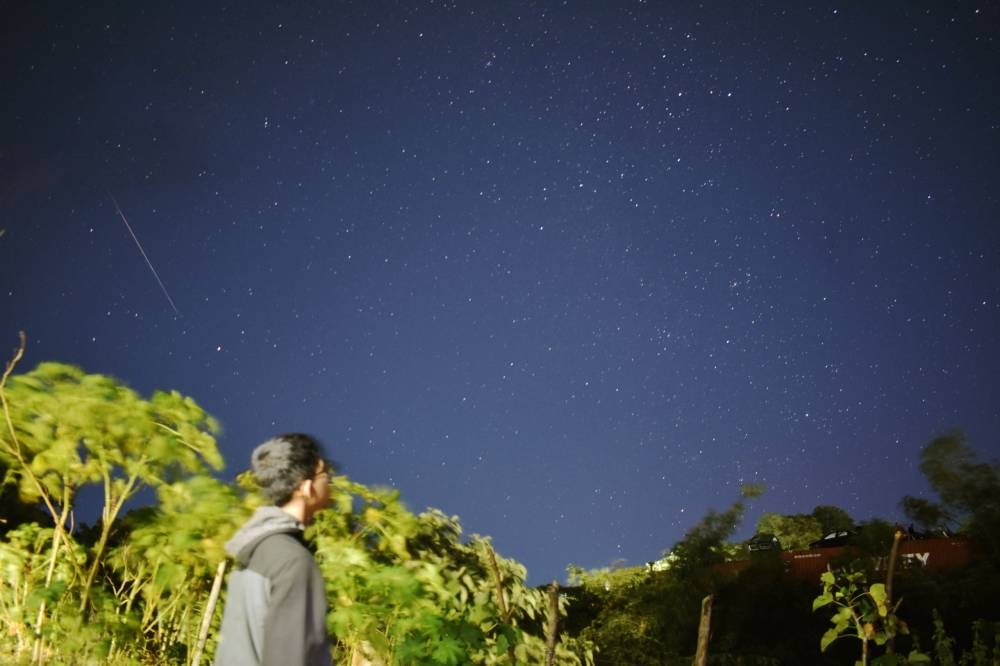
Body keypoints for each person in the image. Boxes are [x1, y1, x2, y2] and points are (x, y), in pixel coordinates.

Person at [215, 433, 334, 666]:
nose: (329, 481)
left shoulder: (254, 548)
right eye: (325, 474)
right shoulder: (292, 560)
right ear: (306, 487)